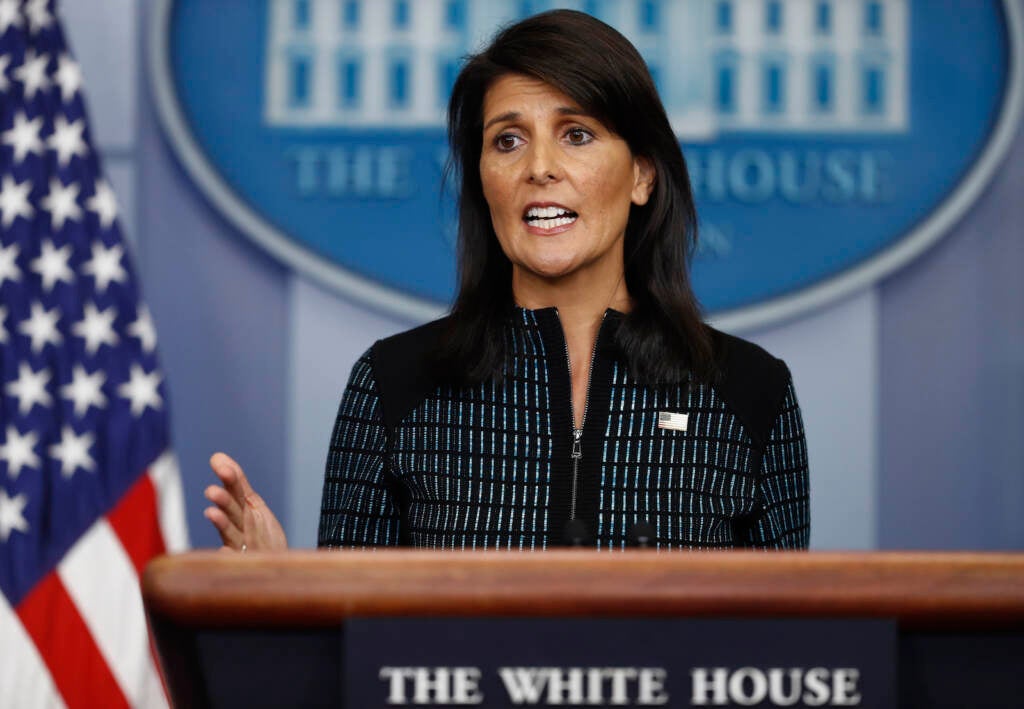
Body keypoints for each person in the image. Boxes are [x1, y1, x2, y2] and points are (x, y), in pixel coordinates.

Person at [204, 9, 809, 552]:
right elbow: (349, 654)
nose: (539, 168)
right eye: (508, 140)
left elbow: (789, 661)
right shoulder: (393, 385)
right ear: (484, 180)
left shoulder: (750, 391)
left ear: (642, 176)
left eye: (577, 134)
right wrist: (278, 592)